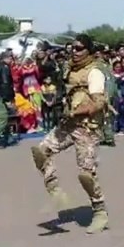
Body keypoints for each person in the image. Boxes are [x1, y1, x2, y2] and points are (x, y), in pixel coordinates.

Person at [30, 34, 109, 234]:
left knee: (86, 174)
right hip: (67, 124)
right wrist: (41, 57)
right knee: (41, 151)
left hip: (87, 128)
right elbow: (48, 71)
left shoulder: (95, 72)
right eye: (72, 48)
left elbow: (99, 103)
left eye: (80, 48)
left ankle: (100, 211)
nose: (75, 51)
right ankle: (54, 188)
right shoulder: (69, 69)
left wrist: (79, 110)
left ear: (89, 51)